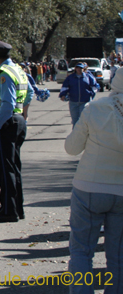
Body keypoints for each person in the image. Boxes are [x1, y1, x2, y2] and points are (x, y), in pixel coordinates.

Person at [64, 70, 123, 293]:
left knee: (81, 251)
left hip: (89, 187)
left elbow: (72, 148)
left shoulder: (95, 109)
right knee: (118, 256)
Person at [0, 40, 33, 223]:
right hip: (18, 121)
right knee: (14, 168)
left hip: (6, 122)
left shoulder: (4, 73)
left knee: (5, 170)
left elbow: (7, 104)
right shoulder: (19, 70)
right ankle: (17, 208)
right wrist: (24, 114)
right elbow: (29, 93)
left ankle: (8, 210)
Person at [60, 62, 98, 127]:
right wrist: (63, 95)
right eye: (77, 67)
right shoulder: (70, 78)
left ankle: (84, 135)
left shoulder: (88, 77)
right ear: (75, 68)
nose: (79, 69)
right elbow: (65, 87)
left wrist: (91, 94)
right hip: (73, 102)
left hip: (85, 101)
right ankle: (75, 135)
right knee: (75, 120)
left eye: (81, 68)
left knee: (83, 120)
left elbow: (94, 87)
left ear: (83, 69)